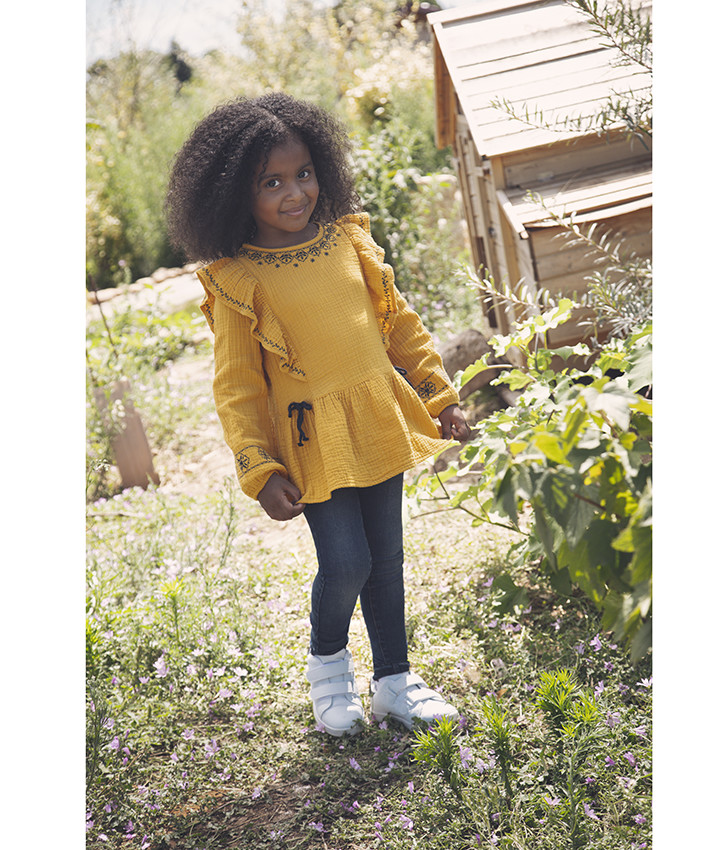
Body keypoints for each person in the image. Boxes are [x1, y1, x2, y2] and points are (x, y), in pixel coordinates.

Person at [165, 92, 471, 737]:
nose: (293, 192)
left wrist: (439, 395)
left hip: (377, 418)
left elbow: (401, 326)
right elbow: (238, 385)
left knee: (387, 557)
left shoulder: (348, 243)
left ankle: (395, 680)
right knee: (347, 562)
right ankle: (329, 670)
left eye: (303, 173)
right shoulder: (238, 280)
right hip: (311, 442)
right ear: (232, 194)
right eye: (270, 182)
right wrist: (259, 465)